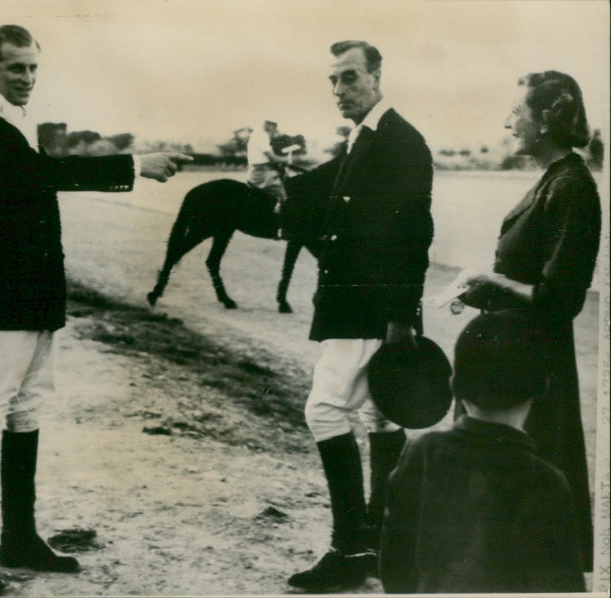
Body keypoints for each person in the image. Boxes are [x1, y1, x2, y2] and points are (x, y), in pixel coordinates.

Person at [0, 24, 190, 596]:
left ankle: (19, 538)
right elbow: (37, 178)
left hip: (32, 295)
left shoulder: (13, 125)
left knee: (26, 410)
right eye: (15, 69)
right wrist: (132, 165)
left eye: (32, 68)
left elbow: (33, 185)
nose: (27, 79)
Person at [284, 40, 433, 592]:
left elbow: (415, 235)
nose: (338, 91)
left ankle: (350, 548)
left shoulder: (400, 141)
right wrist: (282, 183)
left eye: (349, 78)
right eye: (332, 80)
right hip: (359, 306)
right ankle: (383, 548)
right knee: (380, 416)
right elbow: (331, 188)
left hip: (369, 309)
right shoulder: (367, 138)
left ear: (376, 75)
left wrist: (400, 317)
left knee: (324, 412)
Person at [458, 70, 601, 570]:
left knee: (525, 502)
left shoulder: (573, 188)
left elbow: (559, 299)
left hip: (534, 367)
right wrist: (474, 291)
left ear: (545, 121)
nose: (507, 123)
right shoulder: (552, 181)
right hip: (512, 352)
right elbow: (523, 278)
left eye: (516, 113)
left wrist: (487, 279)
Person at [380, 310, 586, 593]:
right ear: (542, 388)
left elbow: (394, 568)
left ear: (454, 385)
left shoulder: (421, 452)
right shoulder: (547, 482)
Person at [246, 120, 290, 213]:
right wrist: (286, 160)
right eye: (274, 127)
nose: (274, 131)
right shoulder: (262, 136)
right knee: (282, 196)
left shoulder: (258, 134)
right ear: (271, 125)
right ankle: (282, 223)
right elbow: (272, 157)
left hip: (260, 169)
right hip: (262, 172)